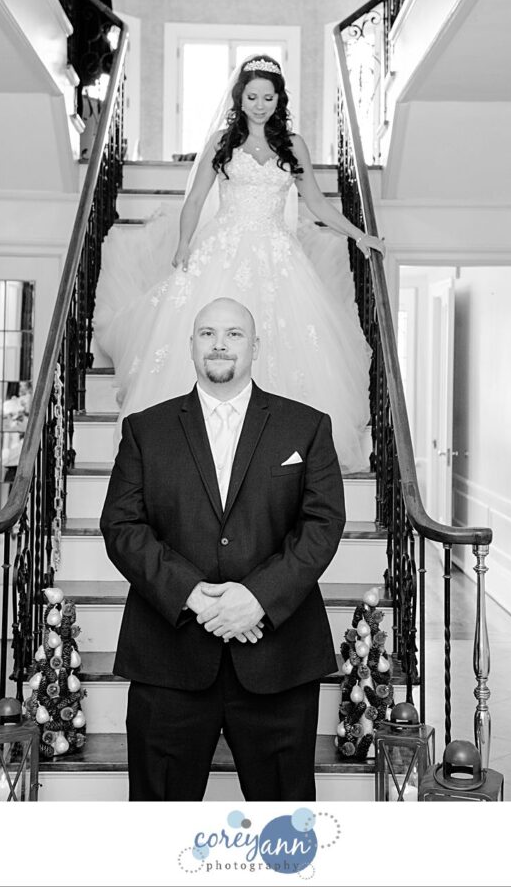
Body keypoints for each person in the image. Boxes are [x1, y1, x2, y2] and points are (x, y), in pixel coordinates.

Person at [100, 296, 346, 801]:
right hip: (169, 658)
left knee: (285, 827)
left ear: (255, 346)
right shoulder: (146, 430)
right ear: (191, 346)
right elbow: (122, 527)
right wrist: (193, 595)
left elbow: (322, 524)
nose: (219, 344)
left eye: (233, 334)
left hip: (277, 659)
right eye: (207, 333)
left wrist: (257, 598)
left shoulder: (307, 426)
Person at [93, 54, 384, 472]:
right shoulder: (221, 142)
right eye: (253, 96)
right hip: (224, 248)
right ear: (240, 97)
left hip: (278, 254)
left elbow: (317, 203)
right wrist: (184, 244)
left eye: (268, 96)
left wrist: (360, 235)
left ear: (278, 99)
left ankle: (271, 449)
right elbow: (195, 200)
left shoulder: (293, 145)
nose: (260, 104)